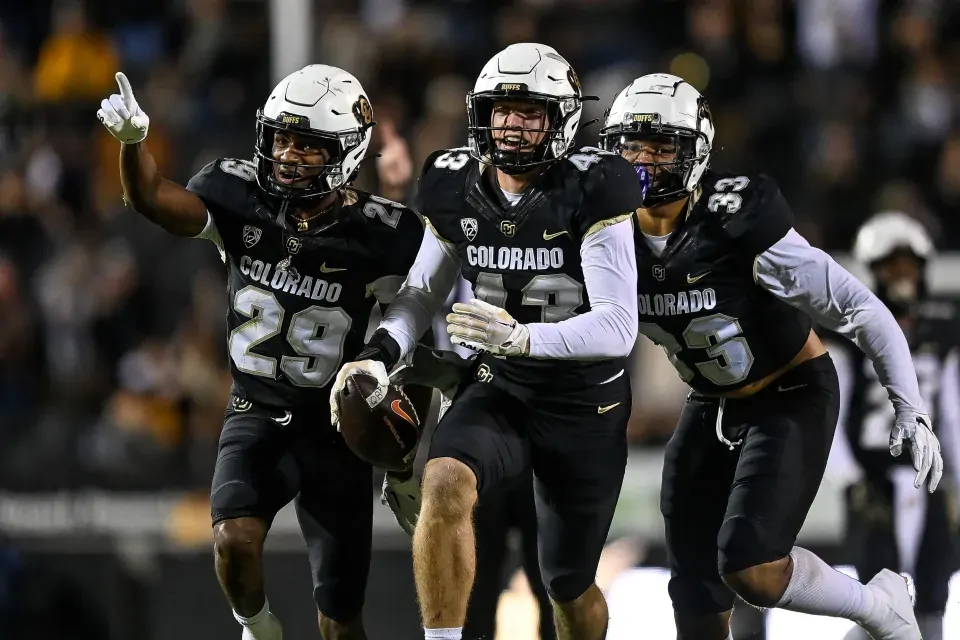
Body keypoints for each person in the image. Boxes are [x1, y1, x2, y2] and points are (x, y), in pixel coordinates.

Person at [599, 73, 944, 640]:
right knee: (693, 598)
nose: (643, 162)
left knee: (751, 566)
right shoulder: (603, 232)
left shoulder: (734, 219)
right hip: (709, 400)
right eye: (631, 146)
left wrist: (909, 405)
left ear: (695, 153)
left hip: (789, 390)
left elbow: (858, 305)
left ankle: (877, 605)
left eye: (661, 148)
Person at [97, 65, 431, 640]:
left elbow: (423, 335)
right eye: (281, 138)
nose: (288, 155)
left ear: (348, 152)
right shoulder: (238, 194)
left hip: (337, 428)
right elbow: (150, 197)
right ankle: (258, 628)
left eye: (308, 144)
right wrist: (133, 145)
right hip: (256, 411)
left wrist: (401, 460)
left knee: (340, 619)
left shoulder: (385, 233)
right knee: (233, 540)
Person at [330, 43, 642, 640]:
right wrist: (377, 356)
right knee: (444, 481)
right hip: (501, 382)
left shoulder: (596, 185)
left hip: (584, 399)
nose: (511, 124)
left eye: (529, 112)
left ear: (562, 120)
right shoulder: (453, 182)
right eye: (502, 109)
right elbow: (421, 292)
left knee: (568, 586)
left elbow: (617, 325)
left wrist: (522, 337)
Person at [824, 212, 960, 640]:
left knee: (934, 591)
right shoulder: (844, 333)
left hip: (929, 476)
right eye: (891, 266)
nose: (903, 276)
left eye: (910, 266)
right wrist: (850, 479)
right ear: (870, 272)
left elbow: (951, 412)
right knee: (878, 598)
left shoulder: (939, 332)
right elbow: (830, 414)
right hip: (874, 479)